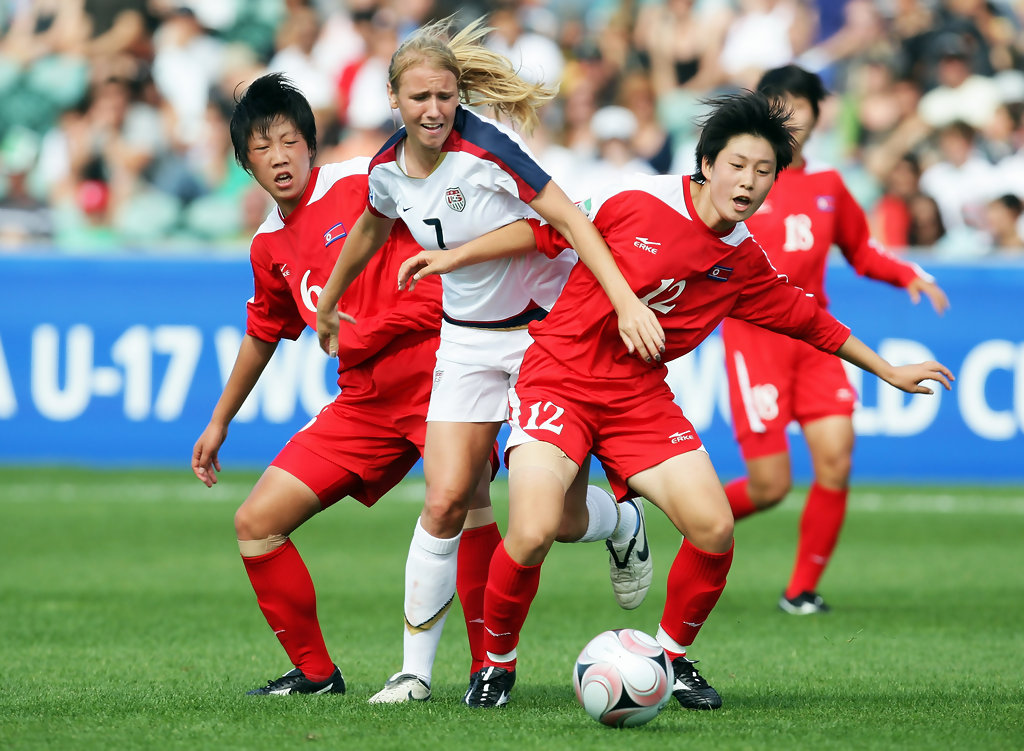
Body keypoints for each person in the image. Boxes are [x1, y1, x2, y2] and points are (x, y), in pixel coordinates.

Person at [403, 90, 953, 710]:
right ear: (708, 163)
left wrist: (888, 370)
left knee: (715, 528)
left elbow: (809, 319)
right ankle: (497, 664)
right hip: (558, 378)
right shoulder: (638, 197)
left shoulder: (742, 260)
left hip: (638, 398)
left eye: (764, 171)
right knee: (537, 531)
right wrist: (452, 256)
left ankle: (671, 657)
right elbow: (542, 229)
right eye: (737, 165)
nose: (747, 182)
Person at [315, 16, 665, 703]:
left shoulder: (489, 148)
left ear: (458, 96)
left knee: (557, 521)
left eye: (445, 96)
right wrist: (329, 300)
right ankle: (414, 672)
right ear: (394, 99)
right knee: (444, 498)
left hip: (544, 340)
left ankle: (621, 520)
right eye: (420, 98)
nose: (434, 109)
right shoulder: (386, 167)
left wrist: (624, 301)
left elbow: (567, 220)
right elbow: (370, 223)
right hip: (467, 341)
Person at [190, 73, 495, 699]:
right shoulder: (268, 244)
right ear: (245, 163)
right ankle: (316, 674)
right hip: (365, 400)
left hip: (445, 373)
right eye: (260, 146)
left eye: (287, 140)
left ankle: (490, 668)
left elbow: (445, 264)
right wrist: (219, 420)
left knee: (463, 507)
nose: (277, 156)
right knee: (257, 522)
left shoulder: (367, 182)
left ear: (310, 142)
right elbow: (264, 331)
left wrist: (372, 328)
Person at [721, 65, 950, 615]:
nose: (791, 114)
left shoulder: (828, 186)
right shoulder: (741, 180)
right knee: (770, 485)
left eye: (801, 104)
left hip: (819, 340)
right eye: (780, 101)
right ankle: (681, 517)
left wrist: (908, 275)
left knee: (836, 461)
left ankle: (800, 590)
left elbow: (862, 251)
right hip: (757, 342)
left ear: (818, 117)